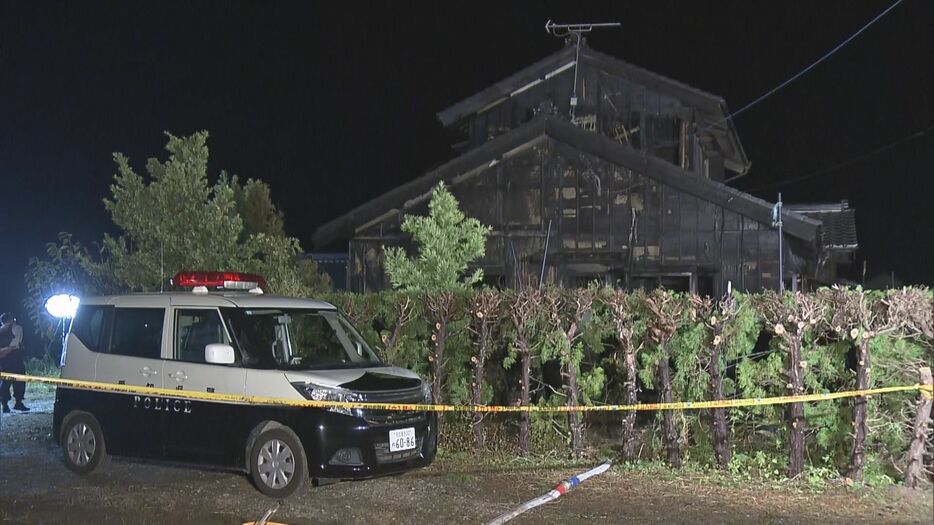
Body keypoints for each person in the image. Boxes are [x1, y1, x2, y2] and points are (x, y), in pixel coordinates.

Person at [0, 312, 29, 412]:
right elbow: (16, 343)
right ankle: (18, 402)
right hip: (14, 356)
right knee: (19, 379)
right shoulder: (17, 328)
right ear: (11, 319)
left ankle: (5, 404)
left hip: (4, 359)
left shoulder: (1, 330)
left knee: (5, 381)